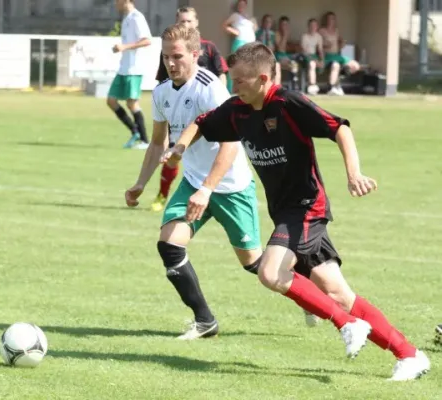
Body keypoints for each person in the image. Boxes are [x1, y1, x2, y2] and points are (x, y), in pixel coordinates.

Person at [163, 42, 430, 381]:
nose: (234, 87)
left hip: (306, 208)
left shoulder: (288, 104)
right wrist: (178, 148)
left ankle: (347, 324)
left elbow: (340, 127)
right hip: (285, 212)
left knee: (270, 273)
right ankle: (410, 355)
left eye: (241, 81)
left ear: (262, 78)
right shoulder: (238, 111)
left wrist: (354, 174)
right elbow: (201, 122)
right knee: (338, 294)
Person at [125, 24, 263, 340]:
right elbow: (158, 141)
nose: (171, 63)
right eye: (165, 57)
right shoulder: (161, 92)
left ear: (195, 55)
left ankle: (304, 285)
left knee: (255, 265)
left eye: (177, 56)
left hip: (228, 185)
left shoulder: (209, 87)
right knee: (169, 245)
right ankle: (205, 321)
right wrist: (141, 183)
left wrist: (208, 188)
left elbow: (232, 142)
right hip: (193, 182)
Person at [151, 6, 228, 212]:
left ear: (196, 23)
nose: (185, 24)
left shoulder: (209, 49)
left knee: (190, 150)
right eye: (181, 21)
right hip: (178, 109)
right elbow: (163, 80)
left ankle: (210, 187)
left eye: (188, 21)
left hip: (206, 109)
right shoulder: (171, 50)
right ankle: (162, 193)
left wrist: (222, 98)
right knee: (172, 154)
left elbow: (221, 73)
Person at [107, 0, 151, 149]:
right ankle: (135, 131)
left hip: (134, 68)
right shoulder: (126, 17)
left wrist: (124, 46)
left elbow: (146, 41)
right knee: (111, 101)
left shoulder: (137, 17)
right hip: (124, 68)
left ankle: (145, 141)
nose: (115, 3)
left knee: (132, 103)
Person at [319, 11, 360, 96]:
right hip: (327, 56)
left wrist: (342, 43)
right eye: (330, 19)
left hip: (337, 55)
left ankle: (340, 79)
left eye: (333, 19)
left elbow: (339, 42)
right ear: (326, 20)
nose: (331, 20)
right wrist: (325, 46)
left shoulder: (336, 31)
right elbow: (318, 46)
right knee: (335, 65)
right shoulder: (322, 31)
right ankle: (331, 87)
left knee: (356, 66)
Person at [222, 0, 256, 93]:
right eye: (239, 4)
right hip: (240, 42)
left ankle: (245, 88)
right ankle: (230, 90)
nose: (241, 6)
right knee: (236, 66)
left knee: (248, 67)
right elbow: (225, 25)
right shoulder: (235, 16)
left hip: (250, 44)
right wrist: (236, 32)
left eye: (243, 4)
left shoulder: (248, 17)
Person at [301, 18, 324, 95]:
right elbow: (304, 51)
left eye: (314, 25)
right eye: (311, 25)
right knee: (312, 64)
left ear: (317, 27)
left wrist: (322, 60)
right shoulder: (304, 36)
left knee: (318, 63)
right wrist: (315, 60)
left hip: (314, 56)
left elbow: (320, 50)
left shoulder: (319, 37)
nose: (313, 27)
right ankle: (312, 85)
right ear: (308, 26)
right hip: (305, 56)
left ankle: (333, 87)